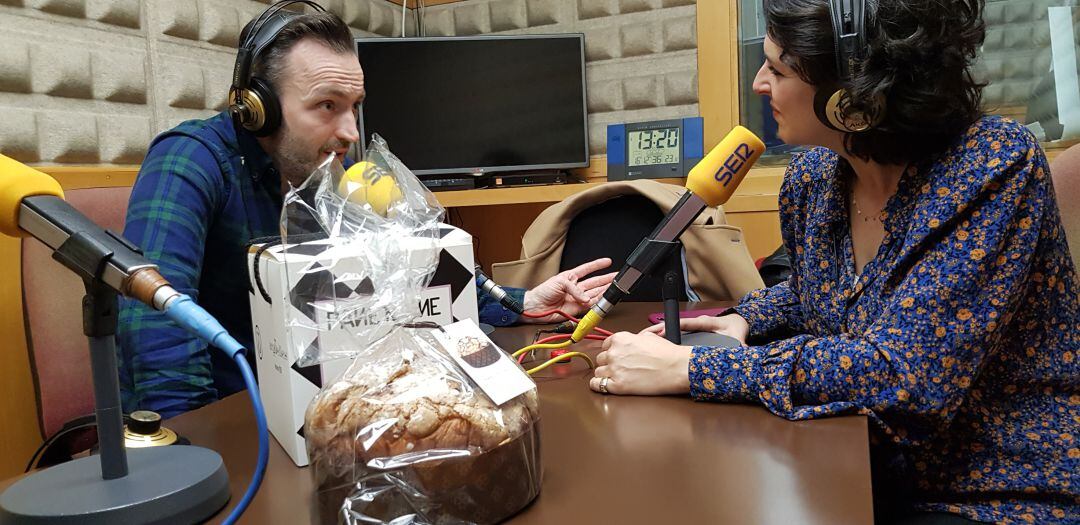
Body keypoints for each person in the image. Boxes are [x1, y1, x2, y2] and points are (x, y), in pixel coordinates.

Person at [589, 0, 1079, 523]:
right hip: (863, 460)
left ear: (855, 98)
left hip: (993, 492)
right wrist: (745, 319)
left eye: (777, 69)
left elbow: (905, 376)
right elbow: (823, 292)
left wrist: (696, 368)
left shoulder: (992, 167)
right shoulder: (815, 179)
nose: (758, 83)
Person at [117, 4, 613, 419]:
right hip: (239, 416)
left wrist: (519, 302)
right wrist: (194, 453)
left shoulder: (337, 169)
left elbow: (415, 277)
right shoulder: (189, 161)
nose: (351, 131)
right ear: (257, 107)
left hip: (327, 407)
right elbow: (157, 329)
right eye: (326, 106)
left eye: (353, 105)